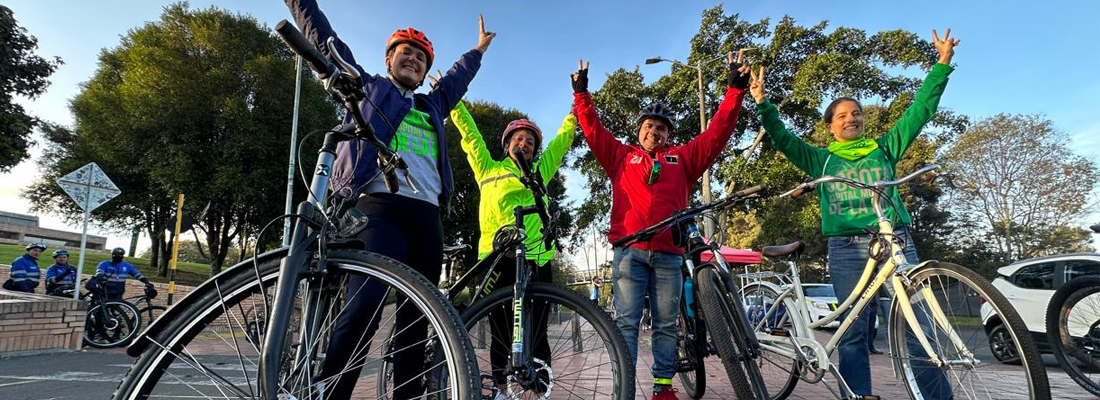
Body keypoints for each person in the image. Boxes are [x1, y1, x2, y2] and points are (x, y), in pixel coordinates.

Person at [283, 1, 494, 398]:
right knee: (364, 306)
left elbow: (456, 80)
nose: (413, 59)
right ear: (389, 59)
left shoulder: (432, 106)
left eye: (421, 57)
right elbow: (326, 42)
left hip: (427, 216)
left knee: (418, 319)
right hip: (379, 209)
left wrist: (477, 51)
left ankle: (407, 396)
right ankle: (330, 393)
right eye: (405, 52)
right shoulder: (369, 88)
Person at [750, 29, 960, 397]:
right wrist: (763, 103)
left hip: (896, 241)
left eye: (857, 113)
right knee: (853, 329)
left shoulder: (885, 147)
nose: (852, 118)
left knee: (919, 326)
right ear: (830, 125)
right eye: (843, 115)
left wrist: (941, 63)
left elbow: (920, 111)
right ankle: (858, 394)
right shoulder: (821, 158)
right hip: (847, 248)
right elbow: (782, 139)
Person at [571, 54, 751, 399]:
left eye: (662, 128)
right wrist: (581, 95)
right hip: (629, 252)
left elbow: (716, 135)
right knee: (626, 323)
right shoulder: (621, 156)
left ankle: (663, 386)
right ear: (640, 132)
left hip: (669, 255)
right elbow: (593, 131)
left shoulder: (683, 159)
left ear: (669, 134)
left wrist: (735, 91)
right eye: (648, 127)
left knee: (667, 324)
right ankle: (623, 385)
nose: (654, 131)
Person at [449, 99, 577, 397]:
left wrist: (575, 110)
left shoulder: (541, 171)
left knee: (539, 333)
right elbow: (471, 138)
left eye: (531, 141)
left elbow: (561, 143)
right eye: (519, 138)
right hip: (496, 258)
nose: (525, 143)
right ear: (507, 143)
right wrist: (455, 102)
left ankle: (540, 390)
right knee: (501, 333)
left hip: (535, 257)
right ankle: (501, 390)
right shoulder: (488, 169)